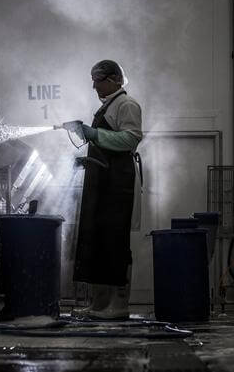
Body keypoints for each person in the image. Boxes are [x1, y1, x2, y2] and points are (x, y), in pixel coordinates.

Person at [73, 59, 142, 320]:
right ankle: (100, 305)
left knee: (114, 242)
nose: (93, 85)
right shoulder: (108, 107)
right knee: (98, 241)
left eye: (97, 80)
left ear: (114, 80)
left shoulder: (126, 105)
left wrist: (93, 135)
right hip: (102, 183)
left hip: (116, 185)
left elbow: (130, 138)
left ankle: (119, 305)